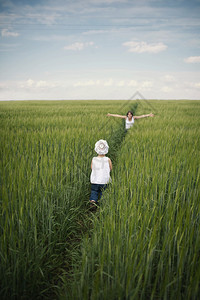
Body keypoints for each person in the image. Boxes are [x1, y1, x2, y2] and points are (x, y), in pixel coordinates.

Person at [90, 139, 112, 208]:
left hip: (95, 180)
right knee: (104, 192)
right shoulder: (108, 159)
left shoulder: (94, 159)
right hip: (104, 181)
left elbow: (92, 167)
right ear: (106, 150)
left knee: (94, 191)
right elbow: (110, 168)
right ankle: (103, 204)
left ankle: (93, 201)